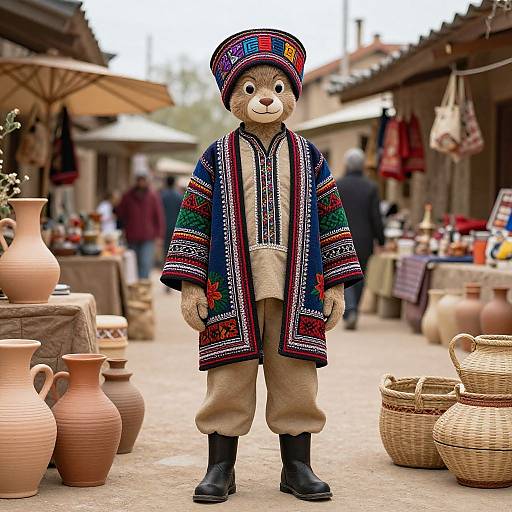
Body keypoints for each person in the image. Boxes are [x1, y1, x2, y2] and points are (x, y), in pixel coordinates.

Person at [161, 29, 363, 503]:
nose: (266, 99)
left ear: (292, 94)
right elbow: (193, 218)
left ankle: (297, 467)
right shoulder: (216, 156)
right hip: (229, 285)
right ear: (232, 98)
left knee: (296, 377)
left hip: (298, 285)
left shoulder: (311, 157)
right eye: (251, 89)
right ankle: (220, 468)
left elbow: (332, 219)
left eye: (277, 88)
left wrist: (335, 287)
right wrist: (191, 286)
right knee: (227, 377)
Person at [336, 148, 385, 330]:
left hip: (341, 238)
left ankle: (351, 309)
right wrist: (381, 240)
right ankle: (352, 308)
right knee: (359, 274)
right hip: (365, 240)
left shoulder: (337, 185)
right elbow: (376, 217)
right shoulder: (370, 187)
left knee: (345, 274)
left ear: (346, 165)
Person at [116, 172, 164, 279]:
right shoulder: (127, 196)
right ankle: (135, 288)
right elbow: (120, 213)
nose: (141, 182)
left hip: (148, 236)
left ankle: (143, 289)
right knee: (133, 264)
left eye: (143, 180)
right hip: (132, 235)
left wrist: (159, 235)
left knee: (145, 263)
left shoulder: (153, 196)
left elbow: (159, 216)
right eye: (139, 180)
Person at [160, 176, 183, 262]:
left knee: (165, 246)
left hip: (164, 225)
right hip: (175, 225)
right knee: (173, 246)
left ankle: (164, 263)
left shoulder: (162, 196)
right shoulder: (179, 196)